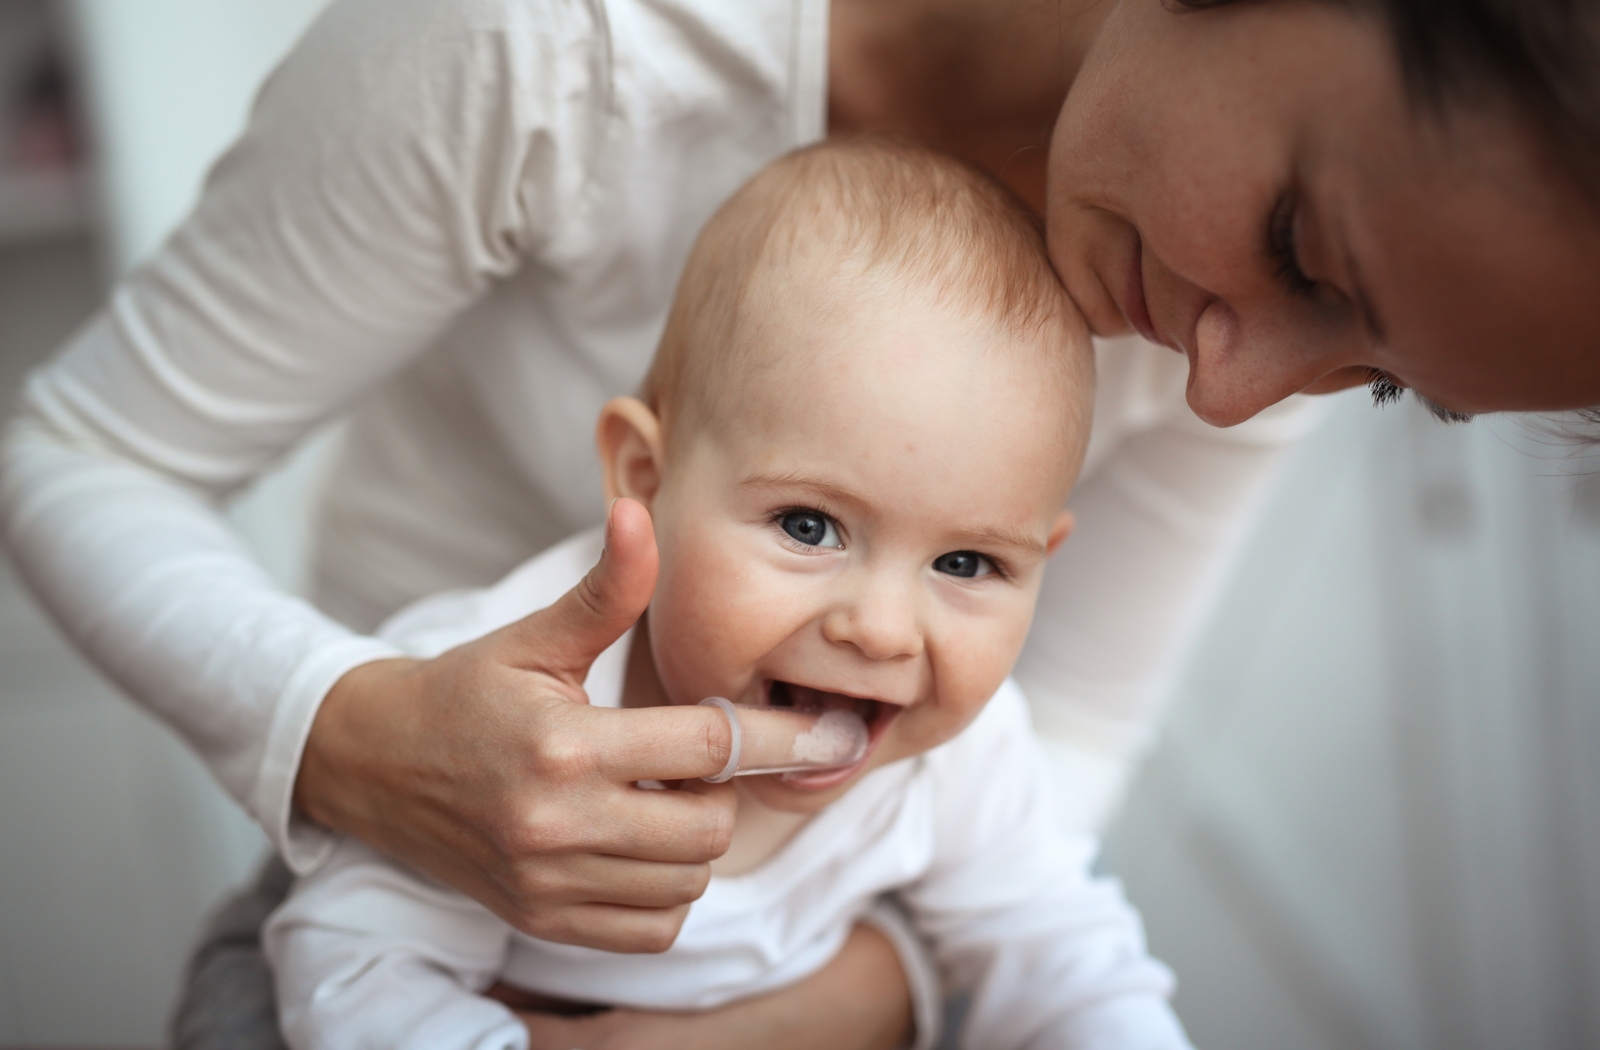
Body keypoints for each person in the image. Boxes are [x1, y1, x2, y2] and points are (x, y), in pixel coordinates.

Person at [3, 0, 1594, 1044]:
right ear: (635, 473)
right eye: (1305, 248)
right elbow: (80, 454)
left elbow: (1055, 867)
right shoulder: (554, 45)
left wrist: (856, 998)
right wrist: (348, 734)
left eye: (1380, 379)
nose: (1239, 396)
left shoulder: (950, 746)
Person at [265, 137, 1189, 1050]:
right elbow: (354, 971)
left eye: (966, 565)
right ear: (645, 479)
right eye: (808, 526)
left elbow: (1062, 960)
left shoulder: (962, 757)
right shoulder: (491, 713)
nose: (880, 630)